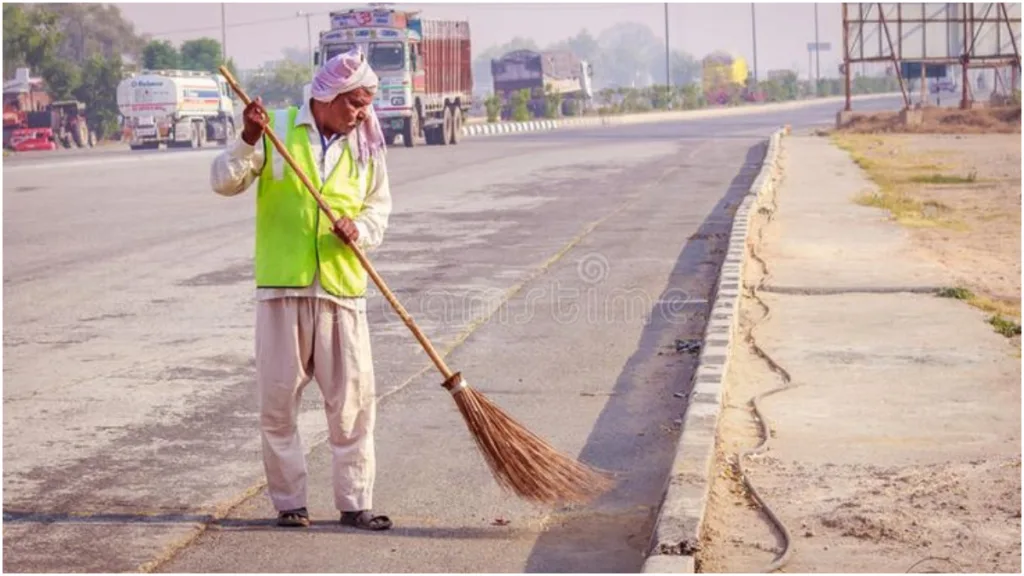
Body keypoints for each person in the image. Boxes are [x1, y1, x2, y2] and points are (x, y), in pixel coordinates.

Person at [209, 48, 393, 531]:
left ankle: (356, 504)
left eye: (367, 104)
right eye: (356, 103)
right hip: (282, 290)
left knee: (352, 406)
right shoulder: (276, 130)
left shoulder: (367, 145)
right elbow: (223, 182)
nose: (362, 114)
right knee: (277, 404)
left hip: (341, 290)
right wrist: (248, 137)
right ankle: (290, 504)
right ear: (327, 97)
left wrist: (361, 229)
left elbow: (380, 208)